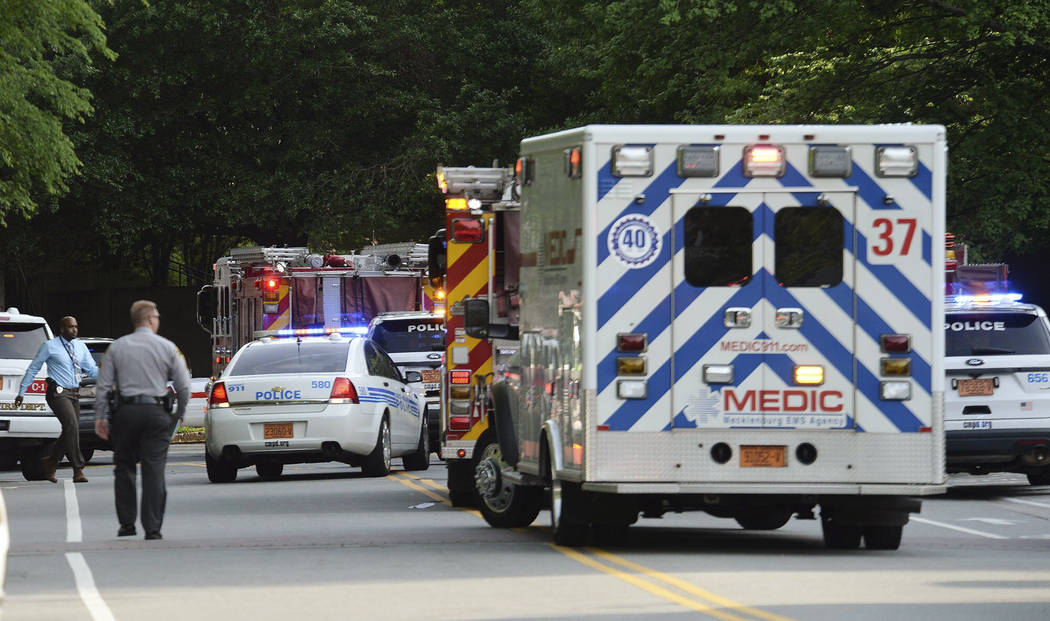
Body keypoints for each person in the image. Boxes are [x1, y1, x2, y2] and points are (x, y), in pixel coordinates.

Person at [95, 300, 190, 540]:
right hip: (156, 413)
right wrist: (179, 413)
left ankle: (127, 524)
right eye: (156, 316)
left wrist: (101, 417)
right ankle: (153, 528)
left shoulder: (116, 348)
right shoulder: (168, 347)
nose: (158, 320)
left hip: (125, 413)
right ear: (149, 319)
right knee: (154, 469)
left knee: (124, 466)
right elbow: (183, 384)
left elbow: (103, 385)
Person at [15, 316, 99, 483]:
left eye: (76, 326)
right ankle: (78, 469)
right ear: (62, 329)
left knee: (71, 429)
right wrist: (22, 392)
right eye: (70, 327)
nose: (74, 330)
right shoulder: (49, 346)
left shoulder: (80, 346)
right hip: (57, 393)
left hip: (75, 393)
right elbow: (34, 368)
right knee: (71, 425)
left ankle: (52, 461)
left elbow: (91, 369)